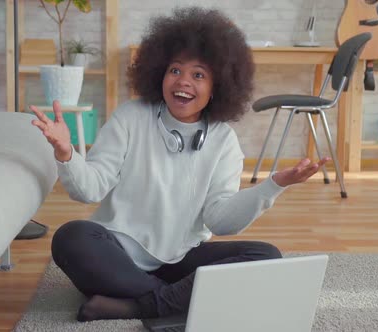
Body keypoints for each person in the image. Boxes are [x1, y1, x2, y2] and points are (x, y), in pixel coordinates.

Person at [30, 6, 328, 322]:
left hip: (183, 257)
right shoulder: (130, 117)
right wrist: (66, 153)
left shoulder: (223, 141)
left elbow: (220, 221)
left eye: (198, 75)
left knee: (265, 256)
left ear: (218, 87)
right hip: (117, 253)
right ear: (159, 72)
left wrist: (273, 185)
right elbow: (90, 189)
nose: (183, 82)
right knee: (70, 238)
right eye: (175, 70)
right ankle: (181, 300)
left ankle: (138, 305)